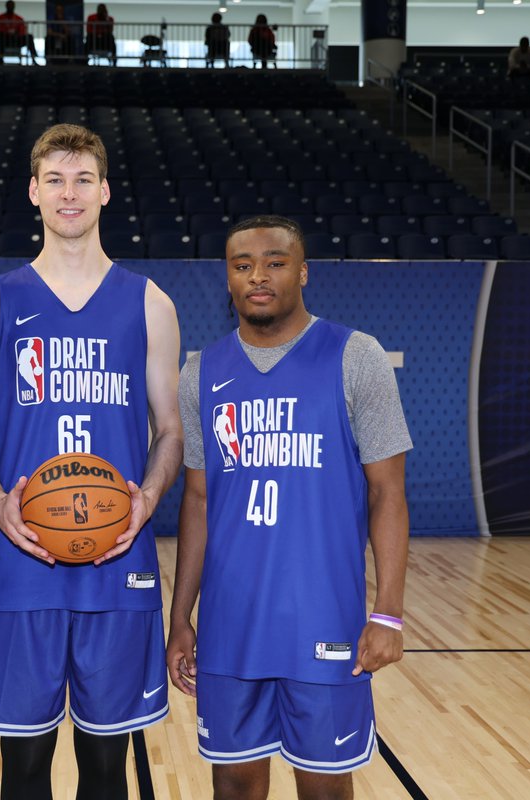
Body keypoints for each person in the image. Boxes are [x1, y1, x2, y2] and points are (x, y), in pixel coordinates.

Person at [0, 123, 183, 799]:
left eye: (83, 178)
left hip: (118, 558)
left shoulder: (151, 303)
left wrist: (146, 497)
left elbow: (170, 431)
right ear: (33, 192)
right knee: (23, 772)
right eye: (54, 179)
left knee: (107, 770)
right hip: (20, 562)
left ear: (106, 191)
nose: (70, 193)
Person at [168, 215, 412, 800]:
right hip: (232, 625)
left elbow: (388, 493)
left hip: (324, 620)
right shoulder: (200, 373)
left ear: (303, 272)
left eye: (275, 262)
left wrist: (389, 614)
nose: (259, 275)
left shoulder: (357, 357)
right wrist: (180, 617)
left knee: (325, 791)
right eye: (242, 265)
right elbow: (197, 500)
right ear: (226, 279)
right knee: (233, 785)